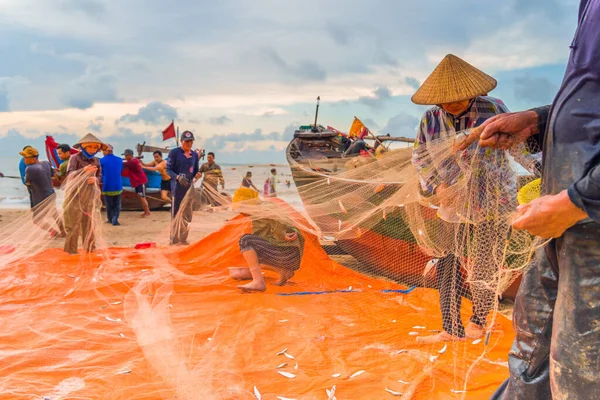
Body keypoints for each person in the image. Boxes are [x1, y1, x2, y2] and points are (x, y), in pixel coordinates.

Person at [458, 2, 600, 397]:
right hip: (563, 220)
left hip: (584, 217)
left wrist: (576, 202)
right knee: (533, 345)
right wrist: (538, 120)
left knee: (583, 369)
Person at [410, 54, 540, 344]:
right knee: (447, 259)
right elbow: (419, 157)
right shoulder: (430, 119)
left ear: (472, 92)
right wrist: (436, 187)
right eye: (447, 100)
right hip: (451, 200)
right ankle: (451, 328)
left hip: (492, 198)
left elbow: (519, 147)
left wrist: (540, 166)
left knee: (486, 262)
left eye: (460, 98)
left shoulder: (493, 109)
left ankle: (479, 322)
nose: (453, 103)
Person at [235, 215, 305, 292]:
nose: (241, 212)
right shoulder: (258, 216)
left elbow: (280, 226)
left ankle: (258, 281)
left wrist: (282, 235)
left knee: (245, 240)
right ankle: (283, 272)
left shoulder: (266, 211)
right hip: (291, 256)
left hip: (288, 253)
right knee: (251, 254)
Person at [63, 133, 105, 255]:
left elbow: (99, 176)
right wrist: (83, 171)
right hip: (75, 195)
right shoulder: (74, 158)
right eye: (89, 147)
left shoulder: (96, 160)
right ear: (83, 147)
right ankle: (71, 251)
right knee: (73, 224)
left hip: (90, 195)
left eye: (94, 147)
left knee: (89, 223)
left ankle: (90, 248)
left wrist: (95, 180)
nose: (92, 150)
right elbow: (70, 176)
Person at [21, 147, 66, 237]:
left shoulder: (29, 168)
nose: (24, 160)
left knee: (37, 220)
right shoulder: (46, 163)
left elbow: (27, 182)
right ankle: (63, 232)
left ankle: (55, 232)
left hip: (41, 197)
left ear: (33, 159)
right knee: (54, 214)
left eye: (26, 158)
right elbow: (53, 175)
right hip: (51, 194)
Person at [166, 130, 200, 245]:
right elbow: (168, 170)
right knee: (176, 214)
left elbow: (195, 171)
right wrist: (177, 177)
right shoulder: (174, 153)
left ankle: (183, 237)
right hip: (177, 188)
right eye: (186, 141)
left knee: (188, 214)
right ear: (181, 141)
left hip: (189, 189)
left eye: (191, 141)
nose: (189, 143)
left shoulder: (194, 155)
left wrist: (198, 175)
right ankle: (174, 237)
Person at [122, 149, 151, 217]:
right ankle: (146, 211)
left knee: (142, 197)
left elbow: (121, 164)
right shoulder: (133, 160)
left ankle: (147, 212)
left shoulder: (133, 162)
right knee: (140, 197)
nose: (125, 157)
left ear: (129, 155)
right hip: (138, 182)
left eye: (126, 155)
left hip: (141, 182)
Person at [100, 145, 123, 226]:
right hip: (118, 185)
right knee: (117, 204)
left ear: (106, 151)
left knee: (109, 204)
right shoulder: (120, 160)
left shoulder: (101, 161)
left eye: (103, 151)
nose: (102, 152)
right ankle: (115, 219)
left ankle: (110, 219)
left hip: (107, 185)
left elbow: (101, 173)